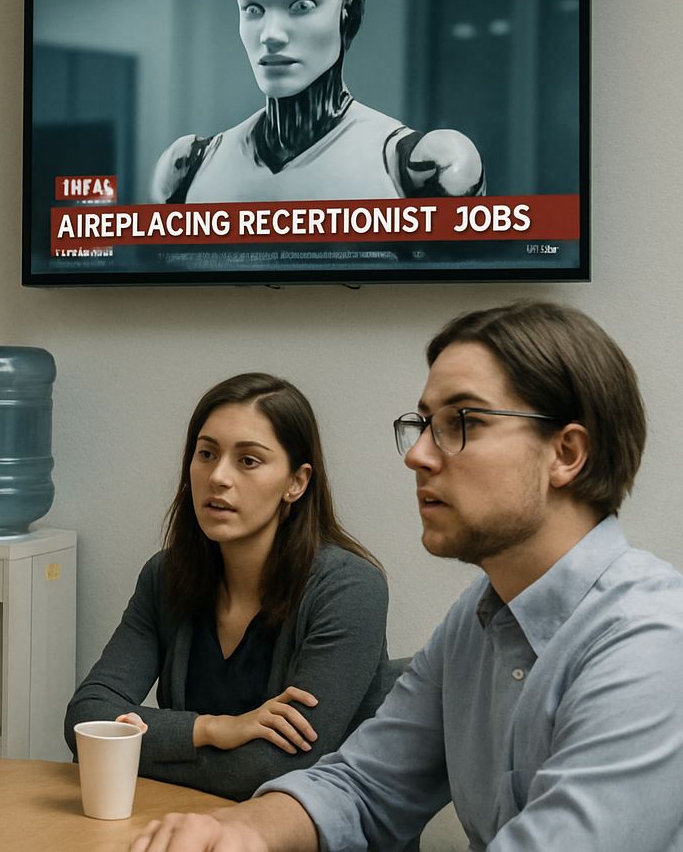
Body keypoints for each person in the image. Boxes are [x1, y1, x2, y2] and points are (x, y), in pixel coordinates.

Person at [130, 301, 683, 852]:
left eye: (462, 422)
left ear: (566, 453)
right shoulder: (476, 620)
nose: (417, 455)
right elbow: (364, 784)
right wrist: (238, 833)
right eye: (424, 425)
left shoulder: (651, 642)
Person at [65, 373, 391, 801]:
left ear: (296, 482)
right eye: (206, 454)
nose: (218, 477)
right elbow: (86, 718)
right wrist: (217, 729)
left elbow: (278, 770)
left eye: (248, 461)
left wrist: (134, 746)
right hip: (190, 825)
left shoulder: (349, 589)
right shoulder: (164, 577)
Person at [150, 0, 483, 204]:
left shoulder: (423, 168)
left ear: (351, 8)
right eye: (253, 10)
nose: (271, 34)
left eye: (301, 6)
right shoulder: (187, 168)